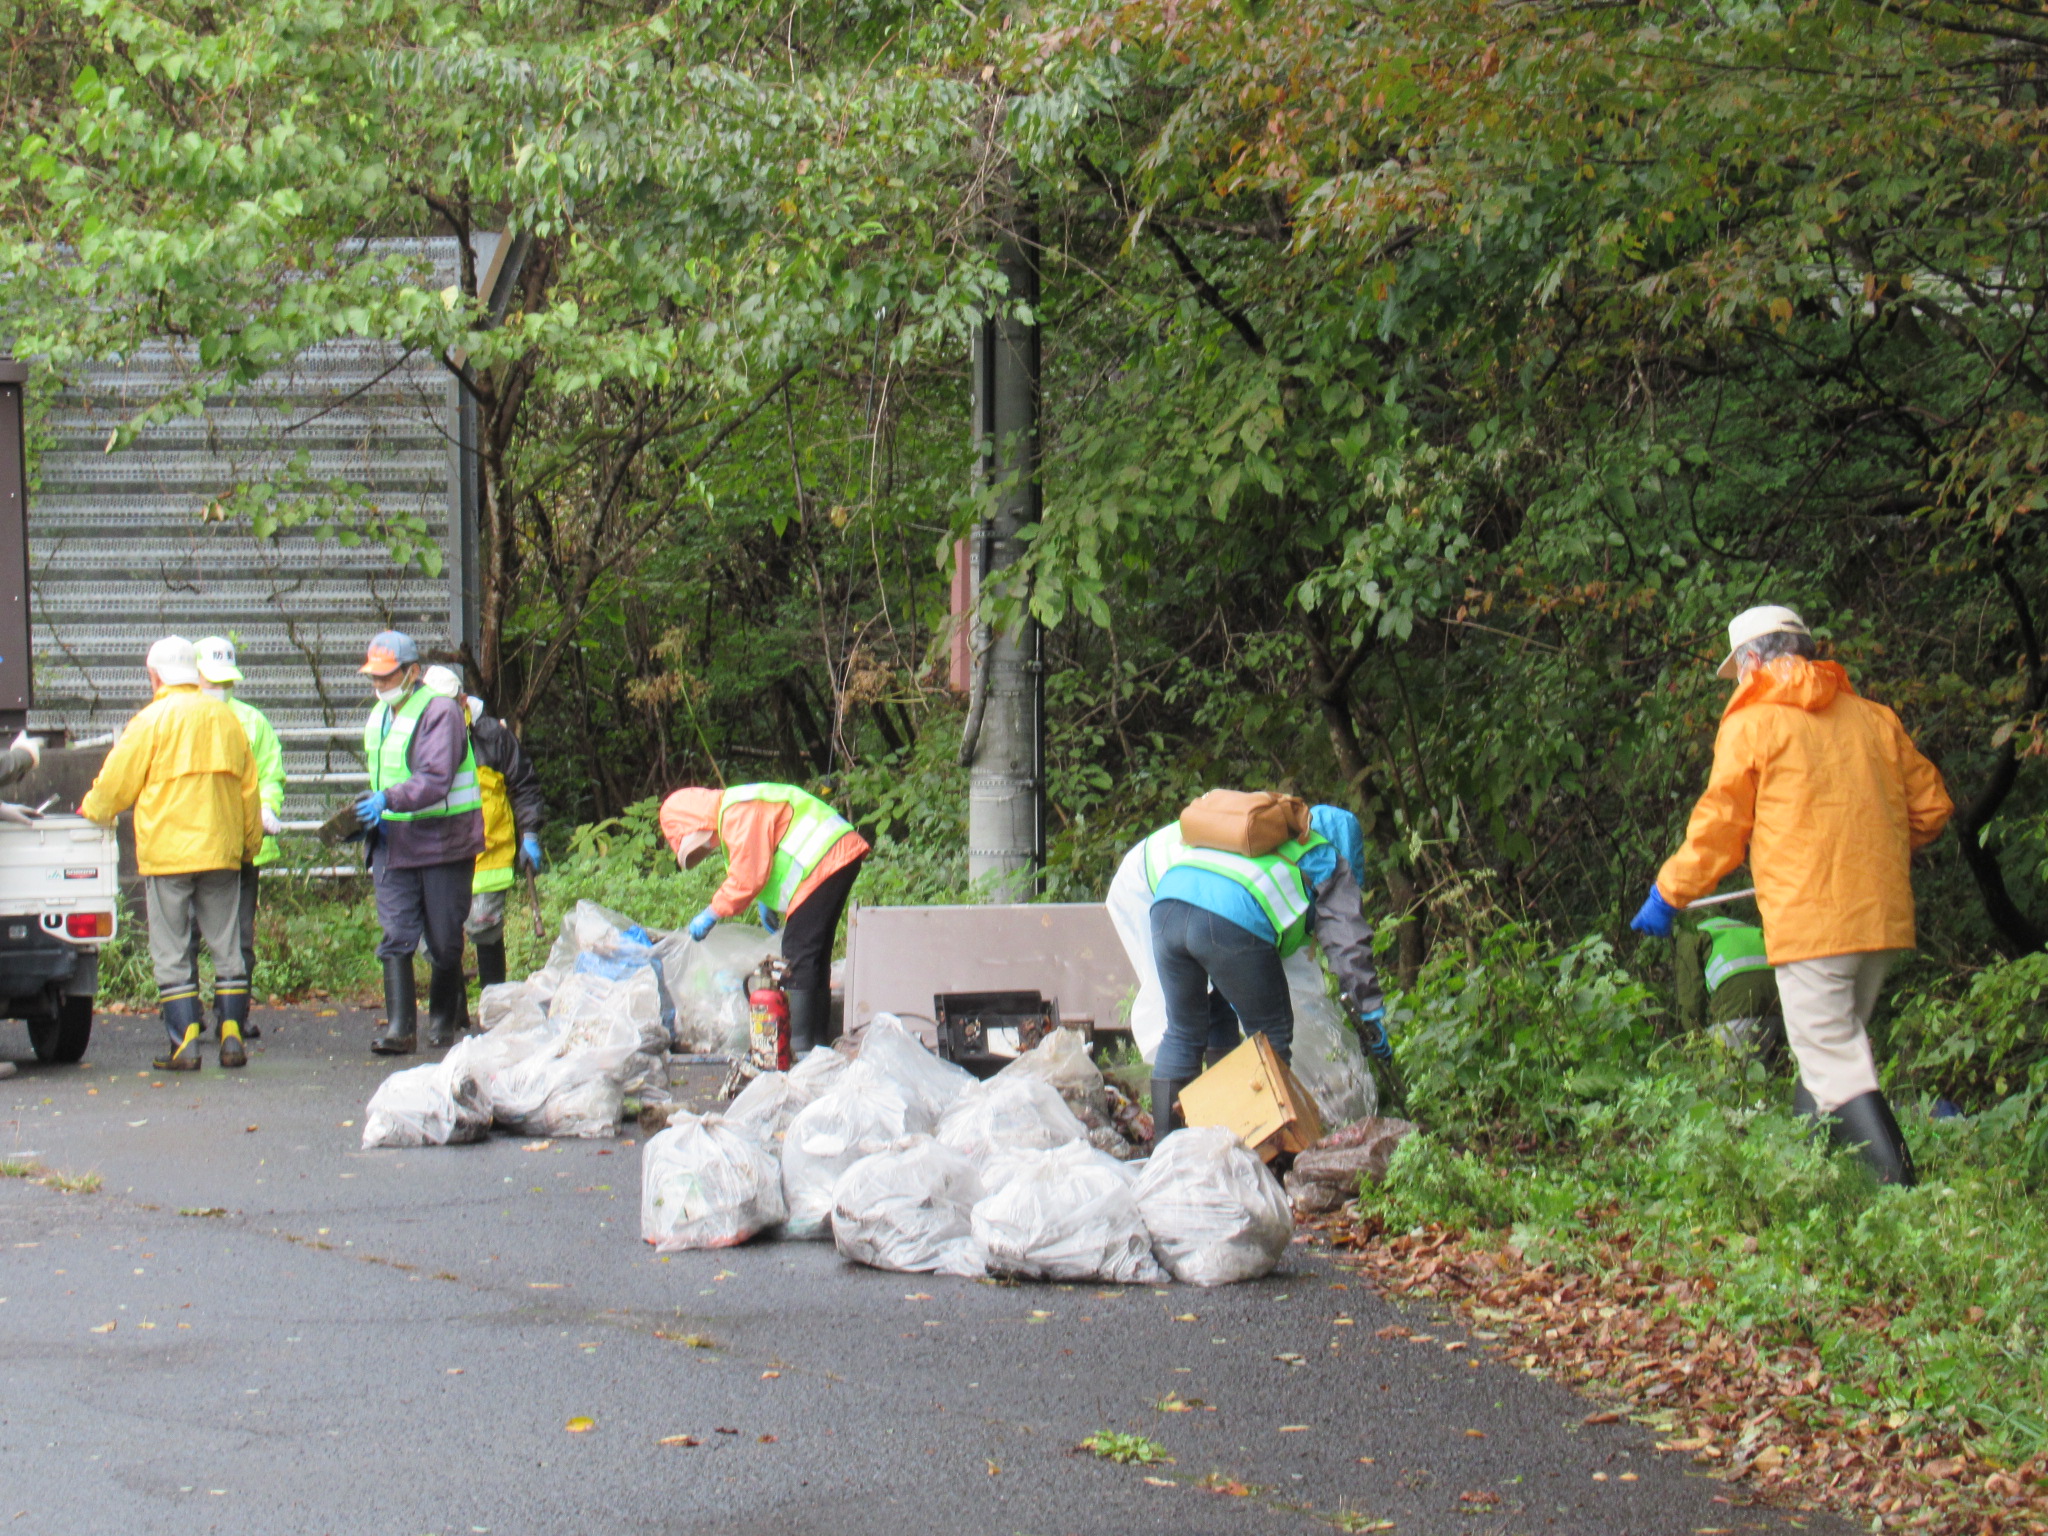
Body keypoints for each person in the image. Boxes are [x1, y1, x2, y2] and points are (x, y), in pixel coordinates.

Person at [1631, 604, 1953, 1185]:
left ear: (1753, 660)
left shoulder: (1753, 725)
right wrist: (1875, 853)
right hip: (1880, 920)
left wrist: (1668, 893)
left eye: (1740, 671)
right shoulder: (1875, 719)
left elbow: (1719, 829)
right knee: (1826, 1050)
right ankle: (1805, 1173)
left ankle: (1905, 1197)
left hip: (1813, 928)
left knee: (1831, 1056)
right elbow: (1930, 810)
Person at [1137, 798, 1385, 1151]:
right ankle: (1253, 1151)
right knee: (1270, 1038)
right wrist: (1371, 1013)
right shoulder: (1328, 860)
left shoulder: (1267, 839)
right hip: (1227, 920)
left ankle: (1166, 1157)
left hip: (1167, 906)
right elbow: (1349, 947)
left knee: (1184, 1031)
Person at [79, 636, 262, 1071]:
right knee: (227, 945)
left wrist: (93, 810)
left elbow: (115, 782)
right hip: (221, 851)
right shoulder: (224, 719)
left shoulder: (150, 721)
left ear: (155, 675)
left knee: (172, 950)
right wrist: (248, 845)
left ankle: (185, 1045)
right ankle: (232, 1033)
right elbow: (248, 789)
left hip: (169, 855)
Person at [658, 783, 870, 1058]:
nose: (706, 845)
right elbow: (767, 853)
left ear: (695, 820)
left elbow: (747, 877)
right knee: (813, 953)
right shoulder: (739, 808)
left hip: (825, 861)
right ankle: (816, 1044)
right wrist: (765, 898)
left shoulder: (737, 814)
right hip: (835, 856)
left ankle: (801, 1047)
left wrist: (712, 912)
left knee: (799, 954)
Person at [356, 632, 484, 1054]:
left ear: (413, 672)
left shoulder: (440, 712)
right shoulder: (379, 714)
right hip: (393, 841)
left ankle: (443, 1019)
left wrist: (386, 799)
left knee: (445, 940)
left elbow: (434, 778)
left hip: (442, 844)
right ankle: (400, 1030)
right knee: (395, 934)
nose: (380, 685)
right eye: (375, 678)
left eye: (387, 677)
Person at [420, 665, 545, 989]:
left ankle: (494, 1002)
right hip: (439, 855)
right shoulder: (418, 736)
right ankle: (450, 1016)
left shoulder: (492, 735)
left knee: (485, 928)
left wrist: (529, 834)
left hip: (489, 853)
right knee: (440, 937)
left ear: (461, 700)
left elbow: (524, 785)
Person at [194, 636, 284, 1038]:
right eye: (212, 680)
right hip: (196, 846)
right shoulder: (182, 717)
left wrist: (268, 807)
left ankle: (233, 1017)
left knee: (240, 937)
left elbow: (270, 775)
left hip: (244, 849)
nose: (220, 688)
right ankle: (185, 1015)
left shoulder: (252, 721)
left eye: (225, 680)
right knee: (190, 936)